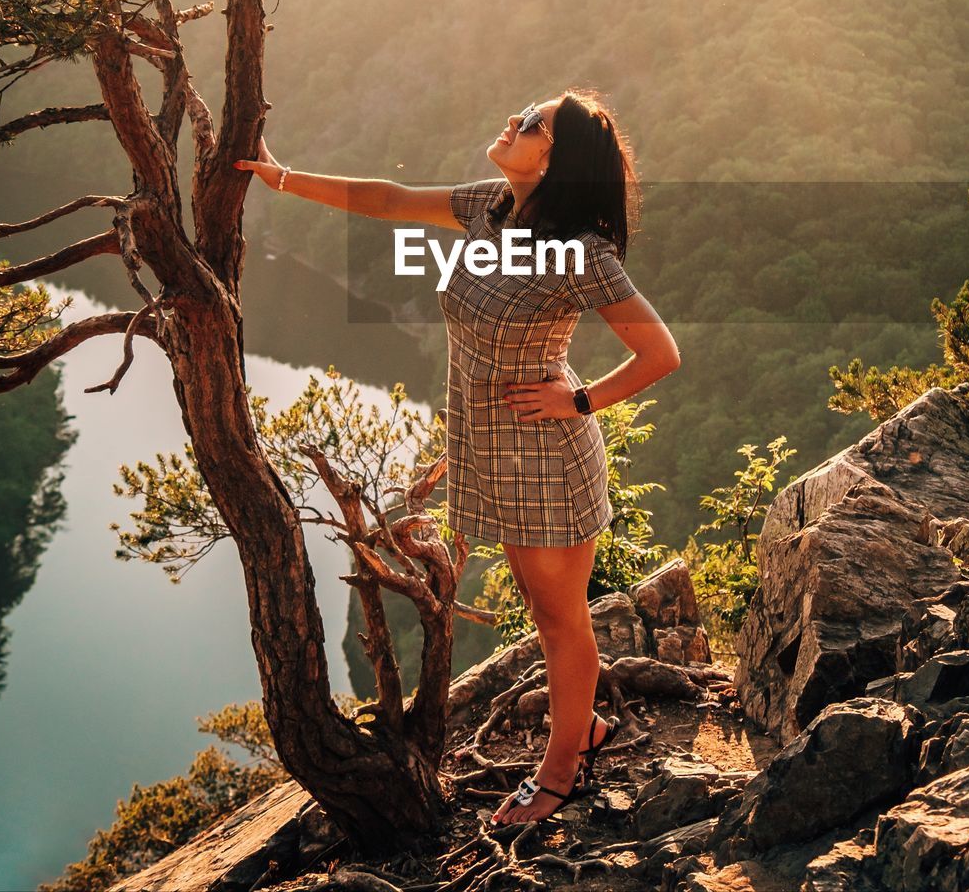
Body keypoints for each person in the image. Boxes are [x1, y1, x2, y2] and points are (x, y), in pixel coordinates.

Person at [234, 89, 680, 825]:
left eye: (531, 122)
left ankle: (561, 769)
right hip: (492, 449)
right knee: (545, 612)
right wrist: (284, 179)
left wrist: (578, 401)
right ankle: (585, 726)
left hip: (547, 456)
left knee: (561, 618)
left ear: (557, 157)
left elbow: (659, 352)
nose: (514, 120)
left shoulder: (583, 253)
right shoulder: (493, 208)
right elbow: (390, 199)